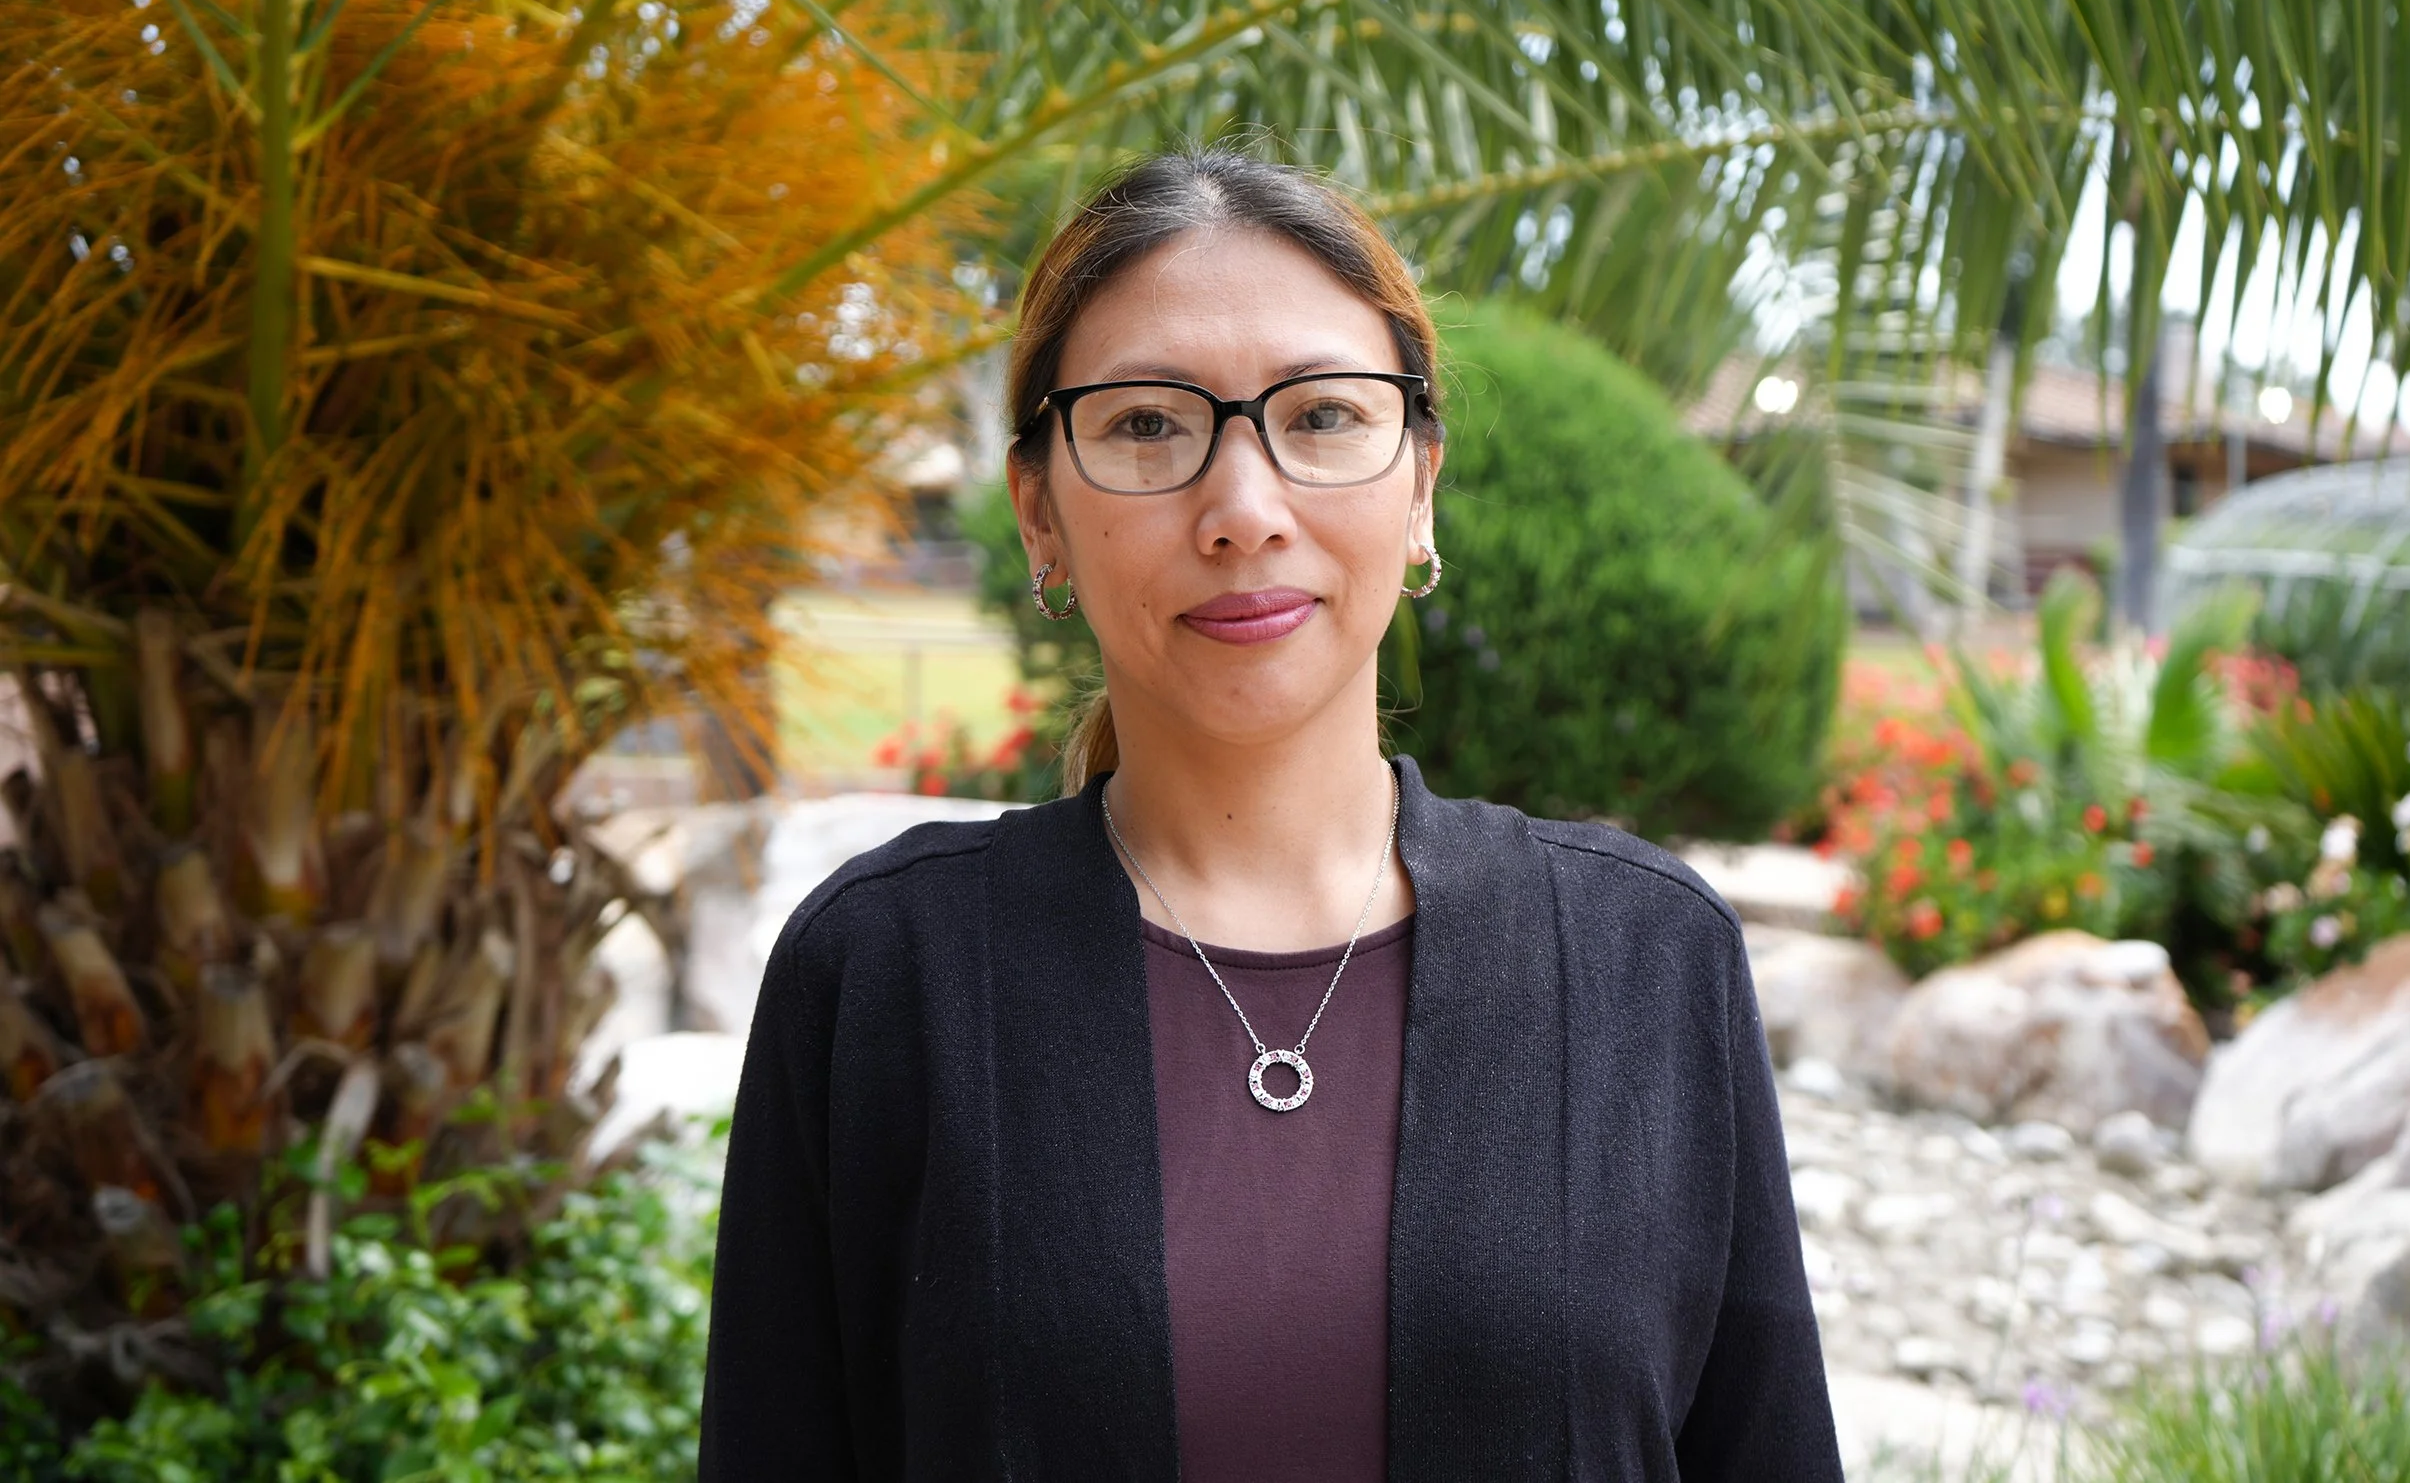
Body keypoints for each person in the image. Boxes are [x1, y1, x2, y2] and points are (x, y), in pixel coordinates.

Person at [697, 150, 1842, 1481]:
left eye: (1321, 417)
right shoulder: (887, 972)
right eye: (1145, 426)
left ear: (1420, 485)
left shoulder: (1647, 958)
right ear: (1037, 514)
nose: (1243, 510)